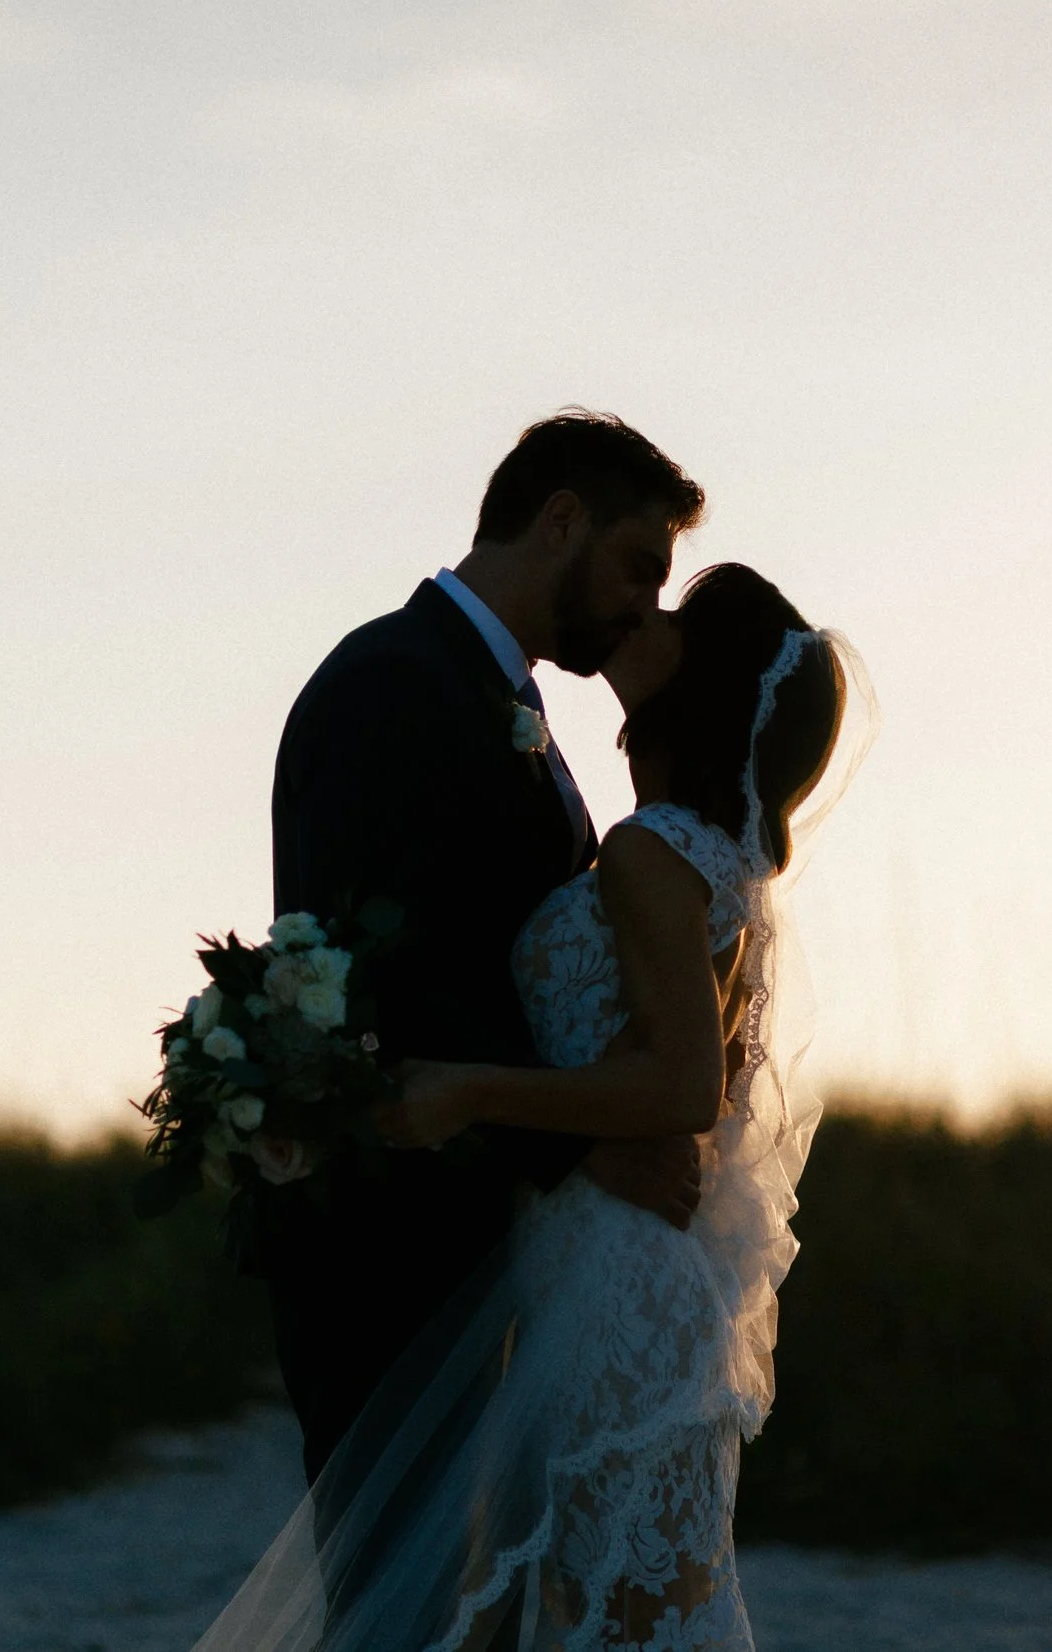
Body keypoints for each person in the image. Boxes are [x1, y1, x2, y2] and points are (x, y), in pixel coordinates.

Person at [203, 544, 867, 1651]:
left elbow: (682, 1085)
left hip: (612, 1276)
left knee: (621, 1609)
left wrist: (467, 1089)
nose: (643, 617)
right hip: (598, 1263)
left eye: (674, 619)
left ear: (696, 684)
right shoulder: (697, 860)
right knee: (600, 1605)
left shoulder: (654, 855)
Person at [258, 410, 713, 1488]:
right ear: (560, 519)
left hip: (485, 1222)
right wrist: (577, 1138)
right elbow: (378, 974)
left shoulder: (510, 702)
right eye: (638, 567)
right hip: (390, 1231)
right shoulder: (392, 680)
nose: (644, 605)